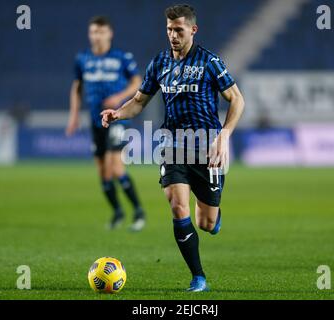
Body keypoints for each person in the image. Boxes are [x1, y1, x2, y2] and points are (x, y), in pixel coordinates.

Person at [101, 4, 245, 291]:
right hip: (173, 146)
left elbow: (237, 99)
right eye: (169, 29)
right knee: (177, 206)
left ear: (193, 29)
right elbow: (140, 101)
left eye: (178, 30)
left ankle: (213, 215)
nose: (173, 35)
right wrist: (118, 112)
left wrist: (224, 136)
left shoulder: (209, 61)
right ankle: (198, 276)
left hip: (208, 148)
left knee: (206, 223)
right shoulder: (159, 64)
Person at [66, 16, 146, 231]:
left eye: (101, 32)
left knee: (115, 167)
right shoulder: (82, 58)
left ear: (109, 34)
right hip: (94, 120)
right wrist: (73, 115)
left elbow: (137, 82)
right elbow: (77, 87)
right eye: (93, 32)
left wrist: (118, 97)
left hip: (116, 118)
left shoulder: (122, 57)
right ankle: (118, 212)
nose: (97, 36)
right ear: (89, 34)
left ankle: (139, 212)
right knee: (103, 172)